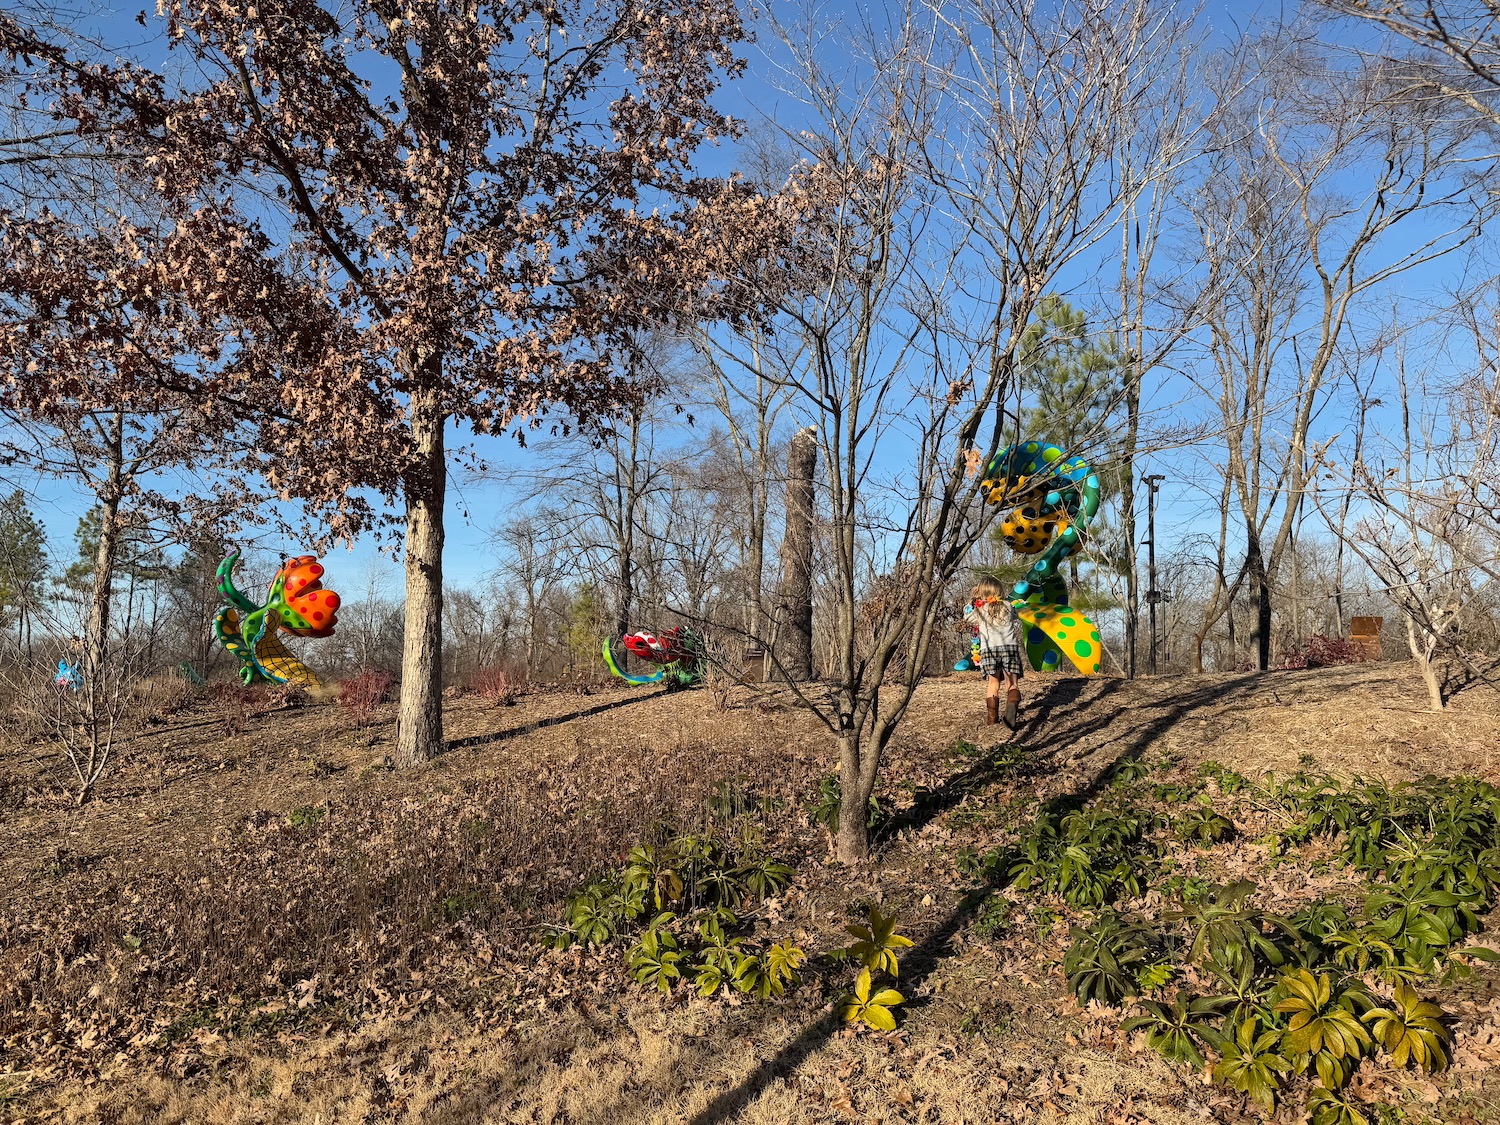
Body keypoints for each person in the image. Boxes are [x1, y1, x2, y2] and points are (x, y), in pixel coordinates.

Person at [966, 578, 1024, 728]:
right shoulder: (1008, 606)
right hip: (1009, 648)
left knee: (993, 683)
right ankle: (1011, 710)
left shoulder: (979, 610)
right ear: (999, 591)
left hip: (989, 651)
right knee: (1012, 684)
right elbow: (1018, 614)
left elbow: (967, 616)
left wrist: (972, 599)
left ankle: (992, 719)